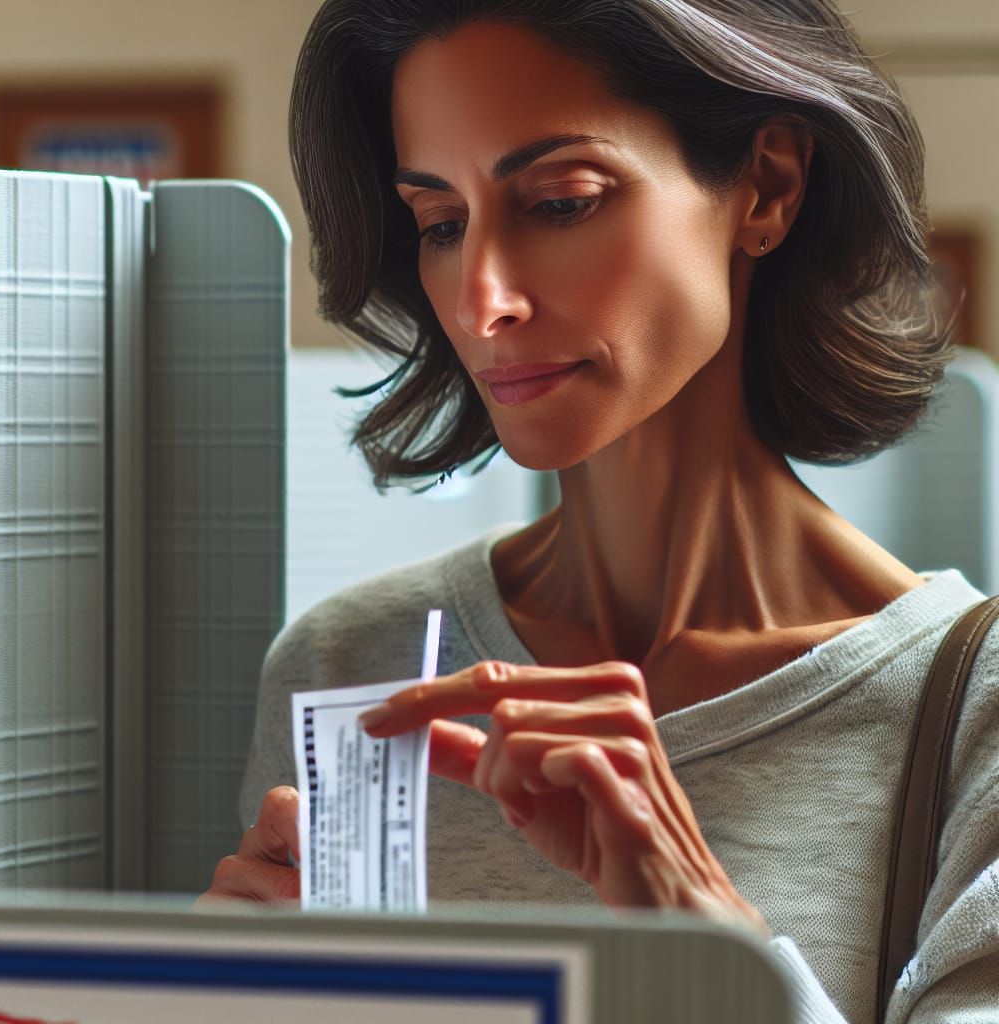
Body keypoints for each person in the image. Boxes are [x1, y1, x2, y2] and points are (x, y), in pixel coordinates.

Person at [201, 1, 999, 1020]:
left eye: (560, 202)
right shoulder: (351, 661)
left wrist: (707, 936)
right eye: (441, 225)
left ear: (768, 186)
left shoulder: (973, 713)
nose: (481, 297)